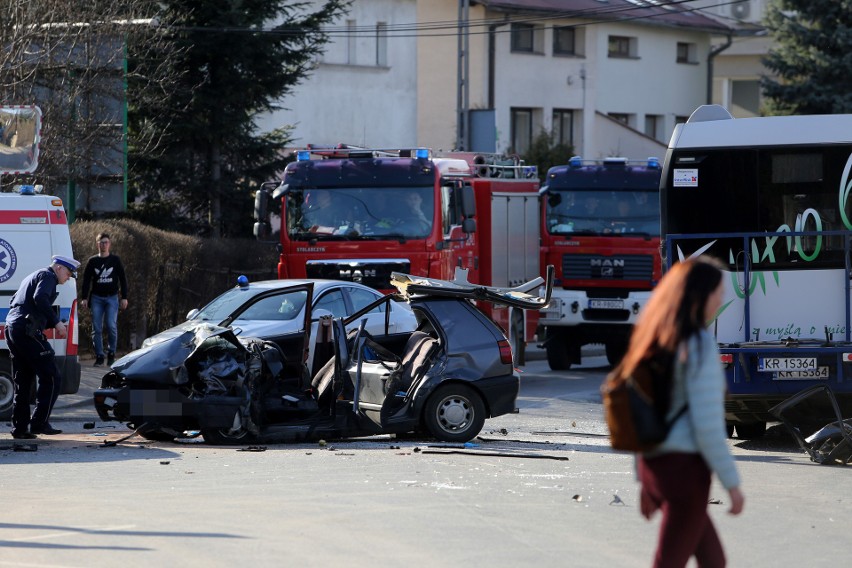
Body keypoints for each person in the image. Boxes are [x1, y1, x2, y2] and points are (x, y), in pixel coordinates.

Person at [623, 256, 744, 567]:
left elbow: (640, 414)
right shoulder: (699, 345)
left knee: (713, 561)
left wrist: (645, 481)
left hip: (658, 468)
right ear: (700, 296)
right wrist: (732, 485)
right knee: (669, 561)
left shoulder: (658, 338)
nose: (722, 299)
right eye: (718, 292)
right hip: (684, 474)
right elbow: (708, 427)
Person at [5, 255, 81, 438]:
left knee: (23, 381)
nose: (68, 277)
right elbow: (40, 298)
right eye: (68, 273)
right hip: (26, 331)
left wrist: (46, 322)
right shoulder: (48, 276)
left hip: (13, 329)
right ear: (59, 268)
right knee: (52, 376)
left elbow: (21, 304)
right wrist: (56, 323)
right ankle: (39, 422)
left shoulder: (33, 276)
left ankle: (20, 429)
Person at [80, 233, 129, 367]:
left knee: (111, 325)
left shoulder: (115, 260)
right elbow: (86, 281)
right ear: (97, 244)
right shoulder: (92, 261)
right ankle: (100, 355)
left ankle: (111, 353)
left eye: (106, 242)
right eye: (101, 242)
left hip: (112, 298)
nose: (104, 245)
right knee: (96, 328)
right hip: (96, 298)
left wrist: (124, 297)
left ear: (110, 244)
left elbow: (123, 279)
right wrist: (84, 298)